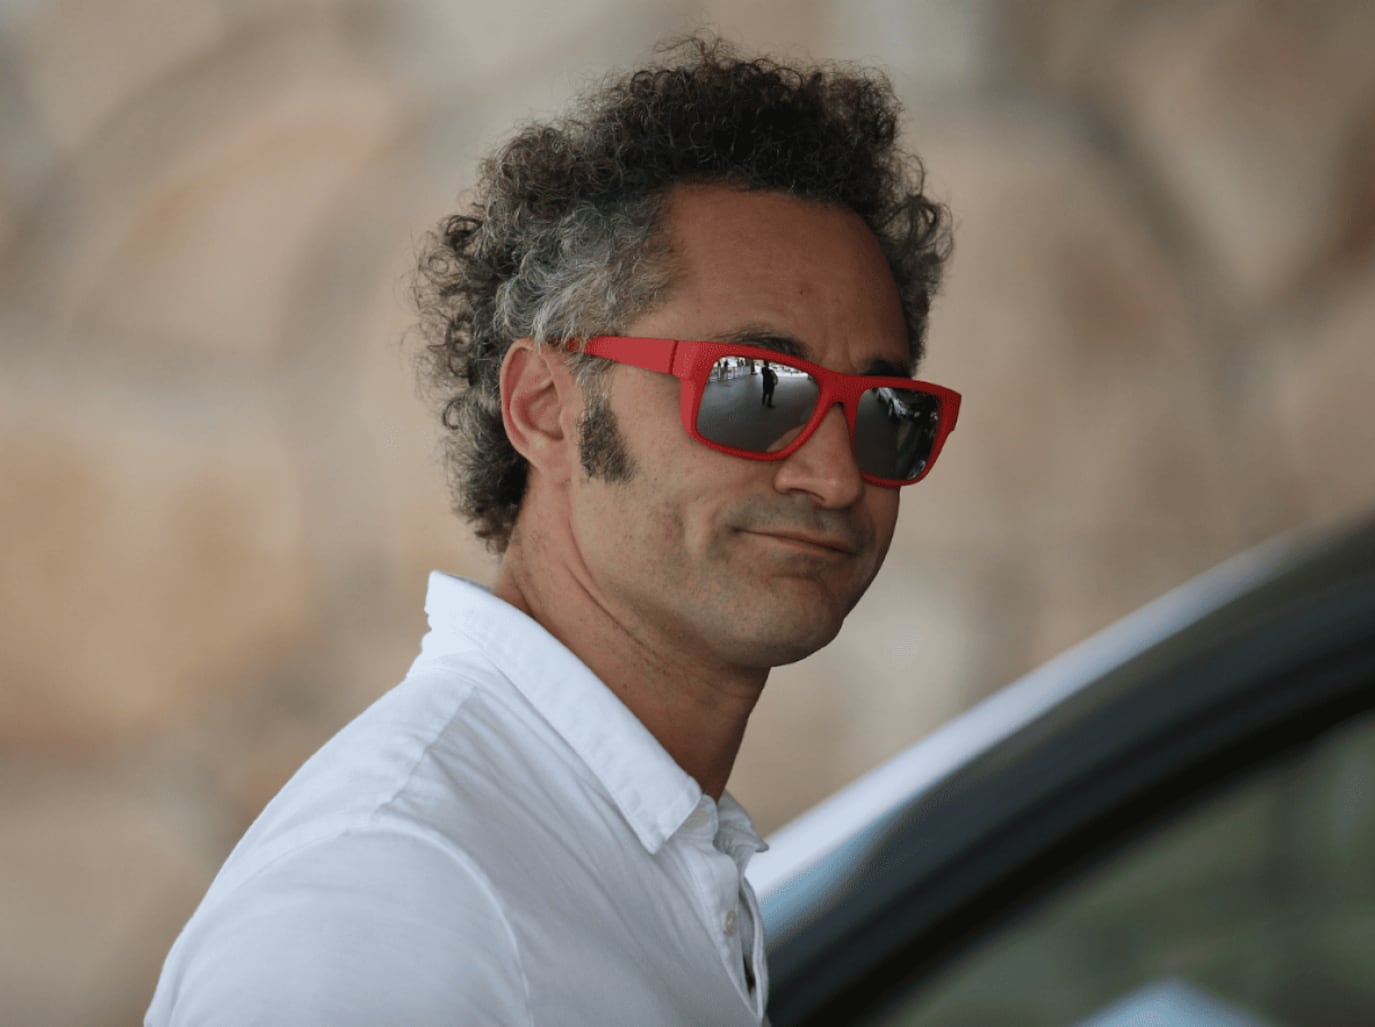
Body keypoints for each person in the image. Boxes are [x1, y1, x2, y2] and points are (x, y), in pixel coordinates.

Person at [146, 36, 959, 1026]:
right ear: (543, 406)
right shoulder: (395, 893)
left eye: (884, 410)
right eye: (753, 388)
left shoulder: (615, 847)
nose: (834, 474)